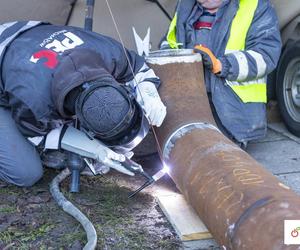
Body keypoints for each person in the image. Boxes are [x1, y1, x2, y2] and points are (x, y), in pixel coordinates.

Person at [0, 21, 166, 187]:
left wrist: (149, 93)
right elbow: (36, 134)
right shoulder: (35, 103)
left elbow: (137, 67)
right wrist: (92, 148)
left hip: (24, 36)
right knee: (25, 173)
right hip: (15, 62)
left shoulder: (108, 53)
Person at [160, 0, 282, 148]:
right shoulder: (186, 6)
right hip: (191, 104)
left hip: (232, 113)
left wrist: (221, 65)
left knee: (218, 157)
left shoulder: (256, 6)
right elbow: (169, 43)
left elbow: (265, 56)